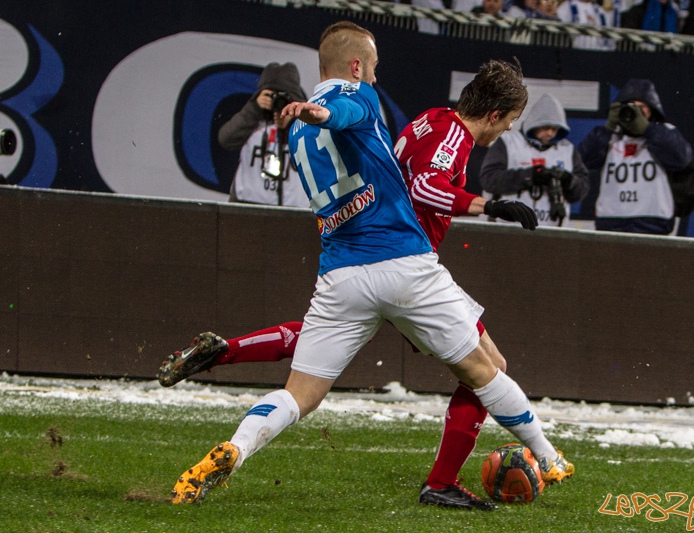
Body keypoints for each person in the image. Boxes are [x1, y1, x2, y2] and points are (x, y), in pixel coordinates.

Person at [168, 21, 573, 508]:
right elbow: (345, 114)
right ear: (357, 66)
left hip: (341, 271)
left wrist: (308, 115)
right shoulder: (357, 98)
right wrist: (490, 206)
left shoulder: (304, 129)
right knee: (486, 370)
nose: (377, 79)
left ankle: (236, 446)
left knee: (301, 395)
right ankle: (542, 459)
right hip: (404, 259)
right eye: (374, 68)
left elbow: (354, 145)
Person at [577, 79, 694, 234]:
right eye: (630, 107)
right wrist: (608, 127)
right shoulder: (608, 136)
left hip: (653, 220)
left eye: (641, 108)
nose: (635, 113)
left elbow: (681, 158)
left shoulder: (664, 131)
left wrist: (647, 129)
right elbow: (580, 162)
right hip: (611, 220)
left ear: (652, 110)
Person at [479, 93, 590, 227]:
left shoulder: (567, 149)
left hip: (552, 229)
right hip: (509, 226)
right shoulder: (508, 143)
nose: (550, 133)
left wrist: (568, 181)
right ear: (533, 123)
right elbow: (489, 180)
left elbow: (582, 189)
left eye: (554, 129)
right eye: (545, 127)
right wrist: (530, 176)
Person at [218, 62, 308, 207]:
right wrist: (254, 108)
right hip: (248, 205)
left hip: (295, 209)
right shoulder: (253, 117)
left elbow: (323, 148)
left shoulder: (305, 121)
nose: (277, 102)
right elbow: (226, 139)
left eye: (283, 96)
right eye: (271, 95)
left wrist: (294, 121)